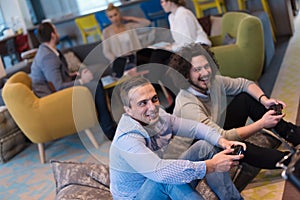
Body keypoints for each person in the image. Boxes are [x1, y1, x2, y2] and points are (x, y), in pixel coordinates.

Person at [109, 76, 246, 199]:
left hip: (157, 181)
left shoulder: (159, 117)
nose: (152, 108)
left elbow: (195, 128)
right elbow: (160, 172)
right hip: (137, 196)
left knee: (205, 147)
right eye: (143, 103)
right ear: (128, 110)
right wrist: (210, 166)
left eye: (154, 99)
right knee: (166, 180)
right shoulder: (127, 139)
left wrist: (222, 141)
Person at [166, 43, 299, 168]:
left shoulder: (213, 82)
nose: (205, 72)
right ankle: (290, 162)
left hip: (215, 129)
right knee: (236, 146)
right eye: (197, 69)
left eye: (207, 66)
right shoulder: (187, 105)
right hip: (196, 151)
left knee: (245, 99)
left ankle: (292, 134)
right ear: (186, 75)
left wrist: (264, 100)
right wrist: (262, 124)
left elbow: (244, 84)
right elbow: (222, 138)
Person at [30, 22, 116, 140]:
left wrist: (75, 75)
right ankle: (109, 130)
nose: (58, 33)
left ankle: (108, 125)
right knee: (95, 85)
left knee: (95, 80)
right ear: (53, 35)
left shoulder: (49, 51)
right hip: (53, 98)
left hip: (55, 90)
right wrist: (81, 81)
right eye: (56, 30)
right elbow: (58, 86)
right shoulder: (47, 57)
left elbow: (56, 77)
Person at [102, 3, 151, 78]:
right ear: (108, 18)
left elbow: (147, 23)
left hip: (133, 57)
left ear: (119, 14)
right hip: (120, 60)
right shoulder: (107, 32)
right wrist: (116, 60)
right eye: (111, 17)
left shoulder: (129, 26)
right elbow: (106, 51)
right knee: (127, 77)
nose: (114, 18)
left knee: (146, 71)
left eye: (115, 14)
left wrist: (130, 18)